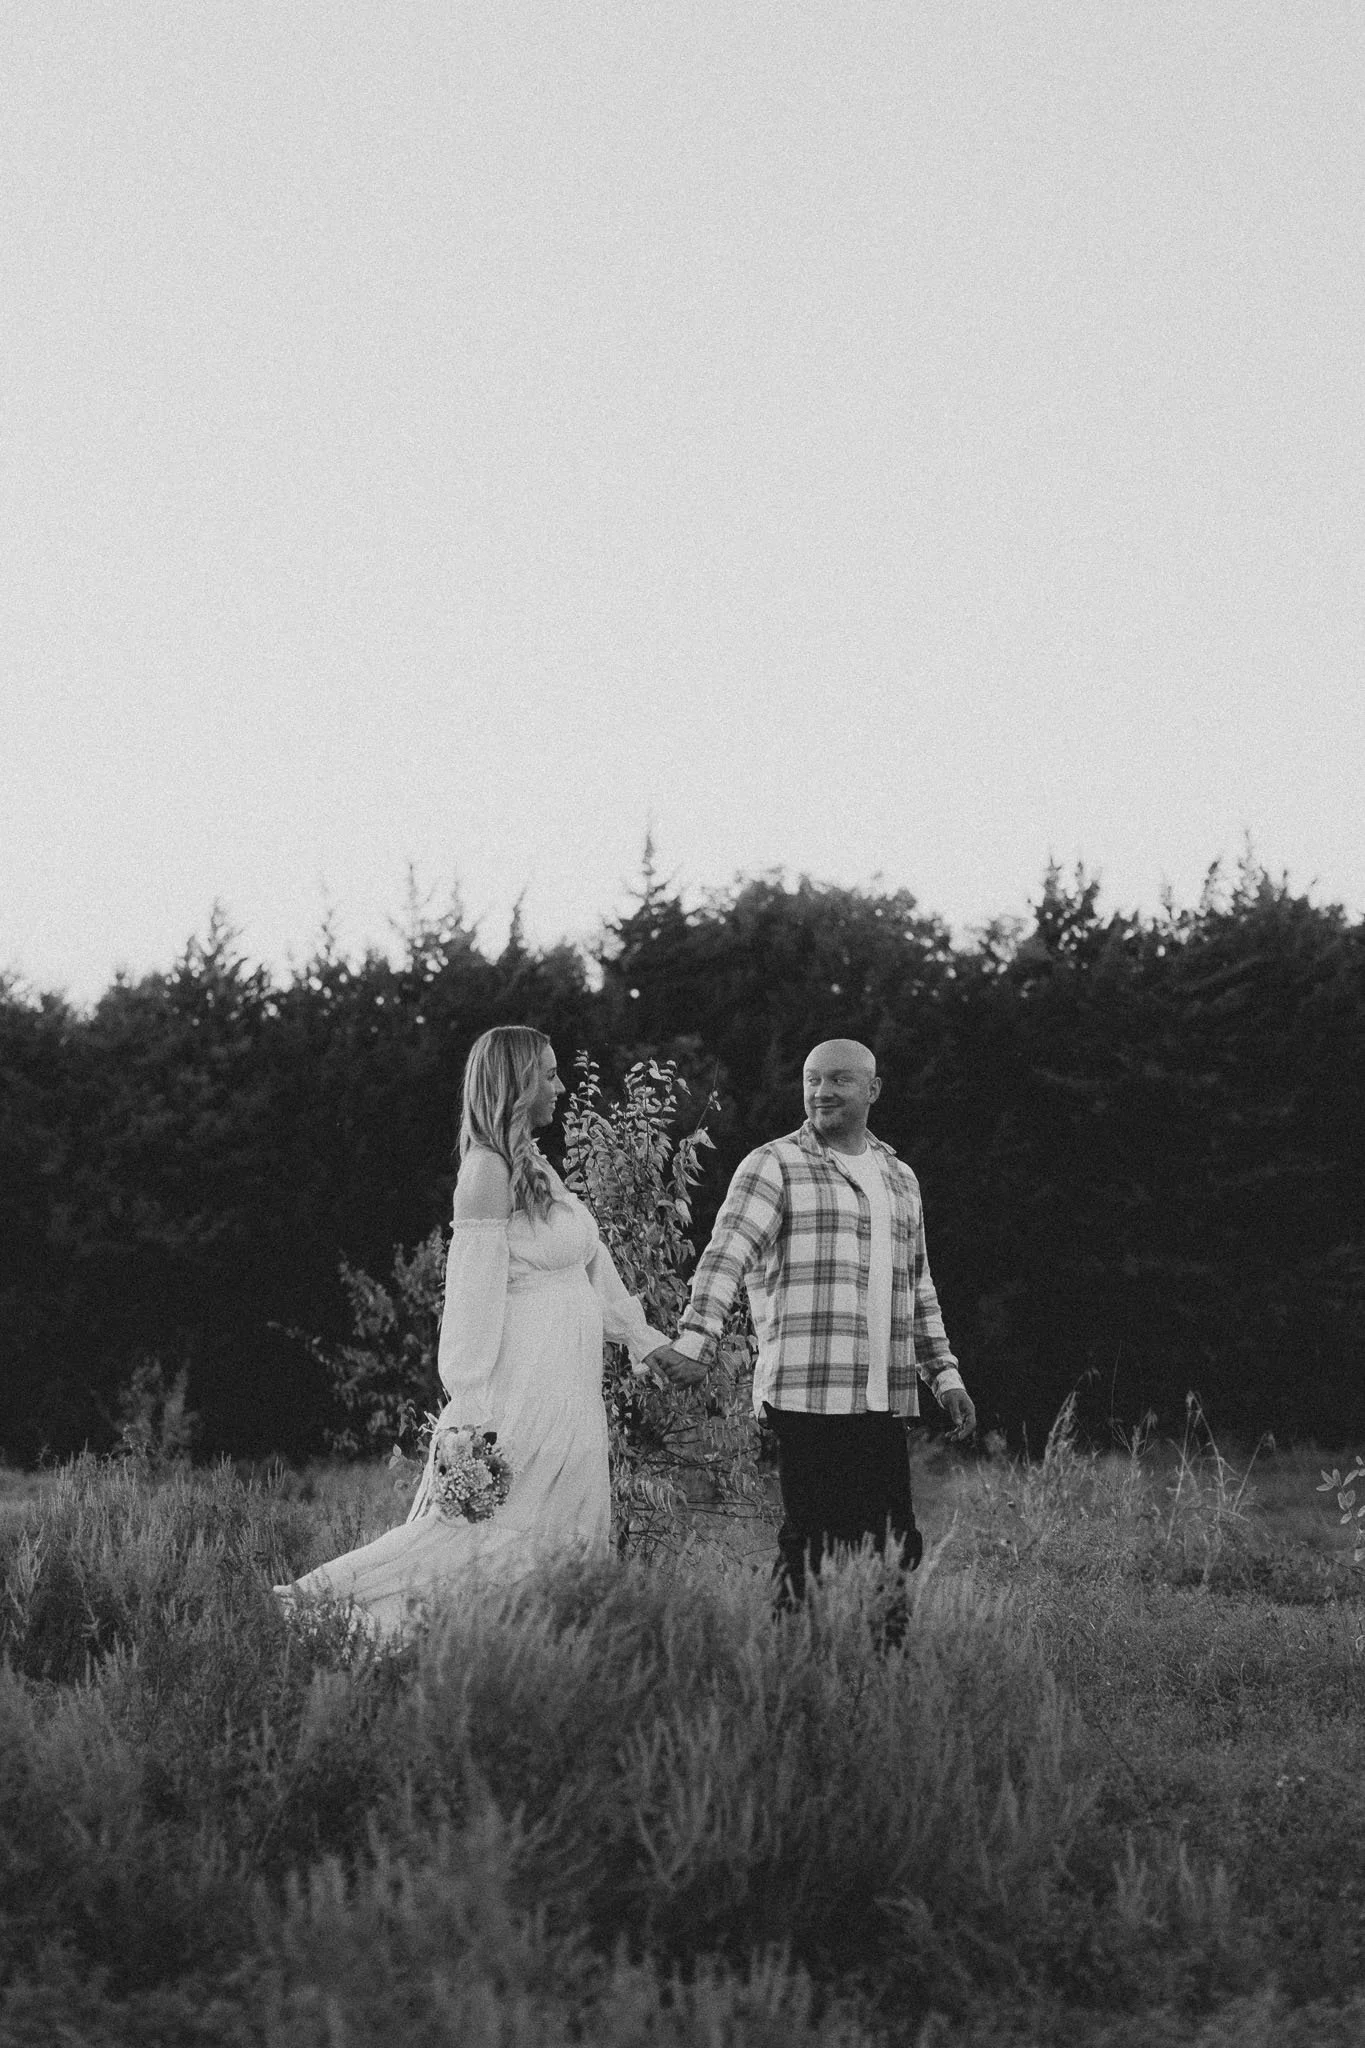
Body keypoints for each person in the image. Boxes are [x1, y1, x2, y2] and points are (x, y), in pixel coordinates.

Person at [275, 1026, 696, 1637]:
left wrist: (646, 1340)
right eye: (548, 1074)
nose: (560, 1086)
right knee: (486, 1537)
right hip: (518, 1393)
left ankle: (536, 1648)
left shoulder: (536, 1167)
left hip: (569, 1392)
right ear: (515, 1084)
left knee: (558, 1532)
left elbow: (591, 1262)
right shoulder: (486, 1171)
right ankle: (324, 1619)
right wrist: (470, 1410)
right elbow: (470, 1300)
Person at [668, 1038, 976, 1607]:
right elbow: (725, 1255)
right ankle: (790, 1675)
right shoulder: (773, 1164)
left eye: (839, 1080)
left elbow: (918, 1285)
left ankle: (878, 1673)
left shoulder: (900, 1177)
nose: (821, 1091)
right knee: (809, 1547)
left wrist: (945, 1376)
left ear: (873, 1090)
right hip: (807, 1391)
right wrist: (695, 1337)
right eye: (812, 1079)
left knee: (894, 1545)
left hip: (883, 1396)